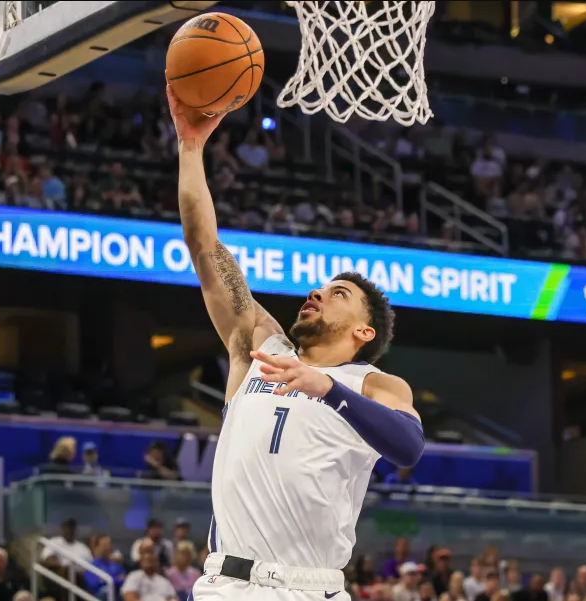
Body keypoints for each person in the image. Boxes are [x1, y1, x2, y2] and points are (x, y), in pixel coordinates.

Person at [165, 85, 423, 601]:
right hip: (226, 584)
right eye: (320, 288)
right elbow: (205, 246)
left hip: (308, 587)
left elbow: (408, 447)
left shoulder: (373, 383)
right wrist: (190, 146)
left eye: (338, 294)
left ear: (364, 332)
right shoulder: (258, 346)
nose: (317, 293)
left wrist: (327, 389)